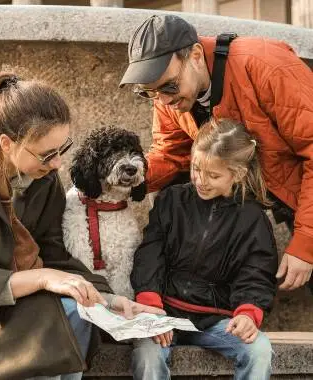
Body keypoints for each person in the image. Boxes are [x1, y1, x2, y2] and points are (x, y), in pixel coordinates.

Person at [0, 72, 156, 380]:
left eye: (62, 150)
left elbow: (55, 254)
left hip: (26, 310)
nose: (57, 165)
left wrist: (113, 301)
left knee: (77, 313)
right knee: (60, 321)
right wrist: (42, 278)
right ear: (7, 143)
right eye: (47, 154)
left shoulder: (43, 180)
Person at [119, 14, 313, 292]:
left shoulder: (266, 66)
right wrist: (127, 178)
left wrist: (306, 243)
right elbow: (171, 154)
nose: (163, 100)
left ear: (196, 55)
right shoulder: (168, 99)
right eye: (148, 93)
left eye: (169, 86)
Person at [130, 118, 278, 380]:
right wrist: (149, 304)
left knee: (259, 349)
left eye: (213, 175)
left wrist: (248, 312)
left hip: (218, 320)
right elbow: (150, 253)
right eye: (196, 169)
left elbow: (257, 271)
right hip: (164, 314)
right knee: (147, 353)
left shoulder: (253, 219)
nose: (201, 180)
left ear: (238, 174)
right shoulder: (171, 200)